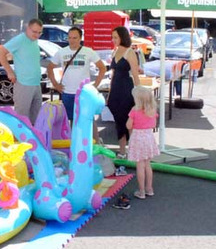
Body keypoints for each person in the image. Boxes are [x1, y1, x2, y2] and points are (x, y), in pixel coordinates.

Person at [47, 26, 106, 142]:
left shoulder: (88, 52)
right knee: (70, 120)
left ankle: (96, 142)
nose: (72, 40)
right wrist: (56, 84)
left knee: (89, 118)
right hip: (67, 92)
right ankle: (74, 144)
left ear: (80, 38)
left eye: (75, 38)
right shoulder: (61, 52)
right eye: (69, 38)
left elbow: (102, 68)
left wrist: (95, 86)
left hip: (84, 93)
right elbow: (50, 68)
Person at [0, 19, 43, 124]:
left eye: (39, 32)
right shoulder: (20, 40)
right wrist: (9, 71)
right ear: (28, 29)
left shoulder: (34, 40)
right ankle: (19, 140)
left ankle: (33, 140)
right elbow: (0, 53)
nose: (37, 35)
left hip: (36, 84)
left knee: (36, 118)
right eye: (34, 32)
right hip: (23, 83)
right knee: (21, 119)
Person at [107, 26, 140, 159]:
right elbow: (113, 74)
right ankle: (122, 150)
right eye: (112, 37)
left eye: (116, 37)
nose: (113, 40)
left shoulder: (129, 52)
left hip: (126, 89)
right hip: (115, 88)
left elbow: (136, 75)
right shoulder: (114, 52)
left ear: (122, 37)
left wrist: (138, 95)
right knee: (118, 120)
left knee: (128, 120)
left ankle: (133, 150)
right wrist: (109, 93)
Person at [126, 86, 160, 199]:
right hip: (149, 137)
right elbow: (154, 124)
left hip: (137, 138)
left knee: (140, 165)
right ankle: (149, 189)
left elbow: (128, 125)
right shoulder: (152, 110)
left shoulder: (134, 111)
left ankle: (141, 191)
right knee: (147, 165)